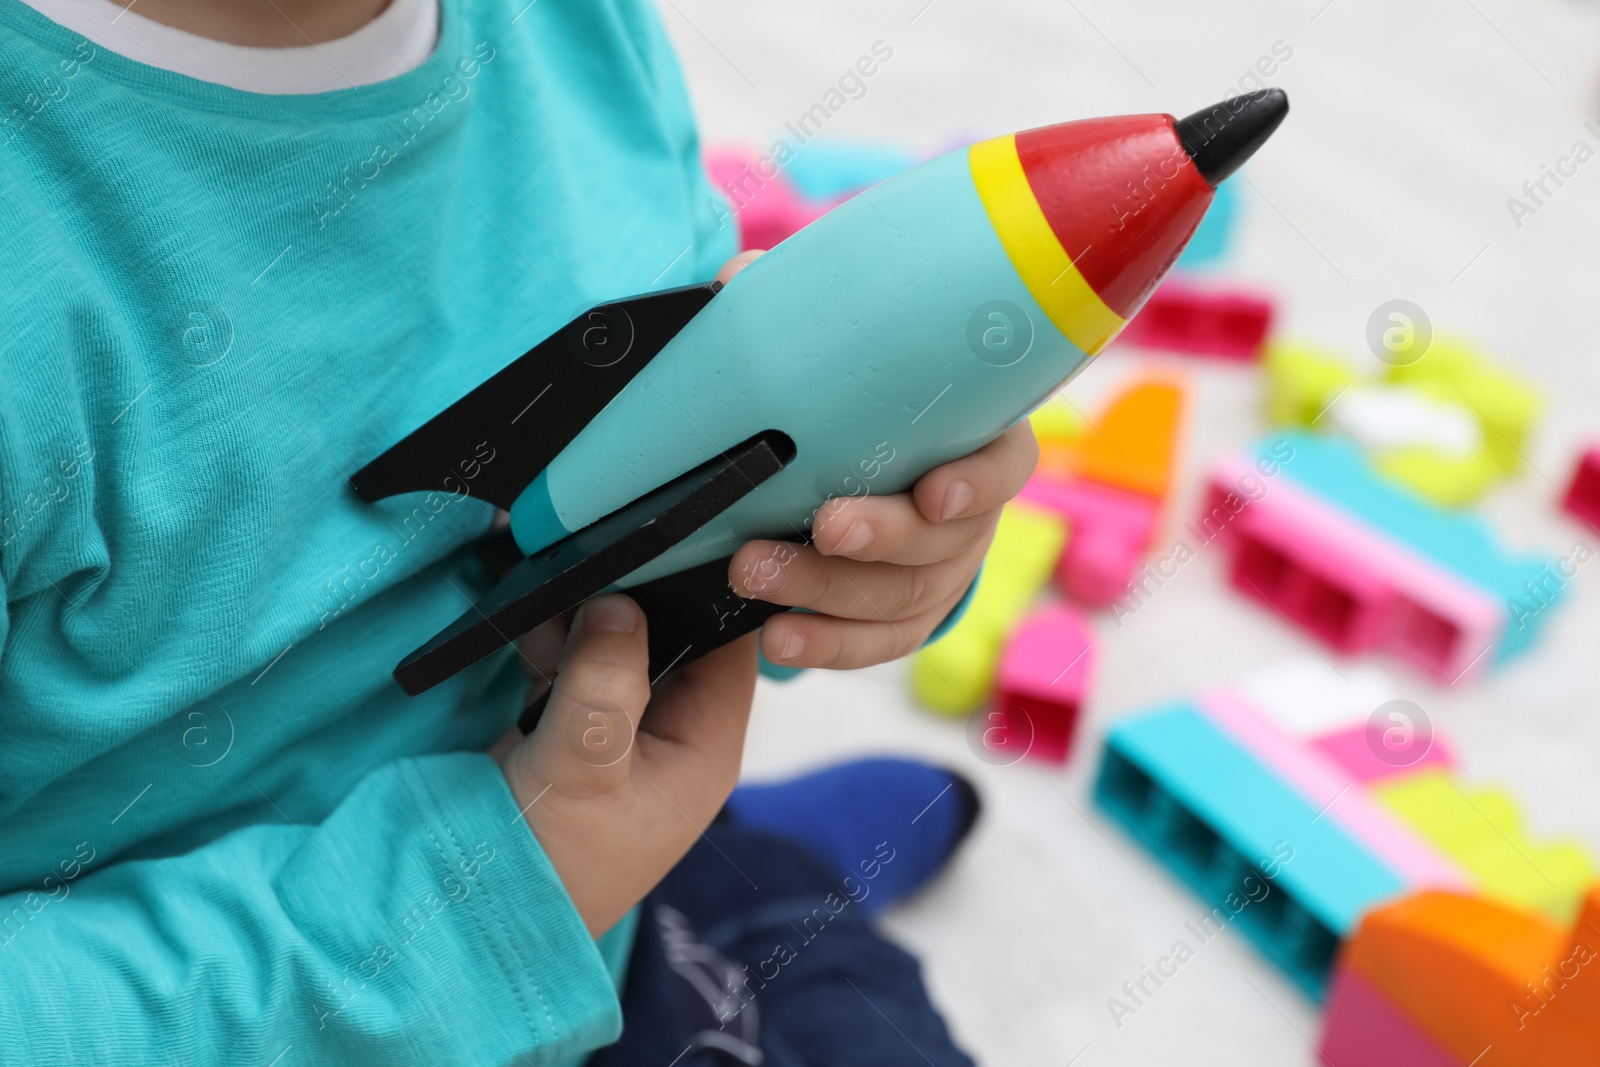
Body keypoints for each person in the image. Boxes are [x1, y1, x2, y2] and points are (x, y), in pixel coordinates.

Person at [0, 0, 1037, 1061]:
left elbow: (699, 468)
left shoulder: (577, 32)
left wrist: (869, 529)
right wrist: (502, 899)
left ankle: (735, 862)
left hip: (587, 876)